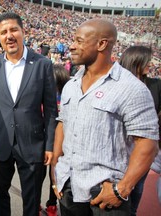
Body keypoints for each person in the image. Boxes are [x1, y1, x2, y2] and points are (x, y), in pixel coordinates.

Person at [51, 19, 159, 216]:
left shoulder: (131, 88)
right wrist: (55, 169)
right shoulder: (70, 86)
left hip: (105, 196)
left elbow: (147, 144)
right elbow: (62, 125)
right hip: (68, 187)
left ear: (102, 44)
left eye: (79, 41)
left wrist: (122, 189)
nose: (72, 46)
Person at [0, 12, 58, 216]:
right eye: (3, 32)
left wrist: (50, 145)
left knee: (31, 199)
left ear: (23, 32)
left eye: (13, 29)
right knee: (0, 195)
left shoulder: (43, 64)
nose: (9, 35)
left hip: (32, 143)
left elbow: (50, 109)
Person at [119, 45, 161, 216]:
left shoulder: (156, 85)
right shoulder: (118, 85)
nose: (150, 64)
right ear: (135, 61)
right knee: (118, 194)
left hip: (142, 149)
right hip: (119, 147)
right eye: (147, 61)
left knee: (136, 192)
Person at [44, 64, 70, 216]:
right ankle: (51, 204)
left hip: (60, 144)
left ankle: (52, 204)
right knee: (47, 174)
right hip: (47, 141)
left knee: (55, 175)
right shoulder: (46, 95)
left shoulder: (66, 96)